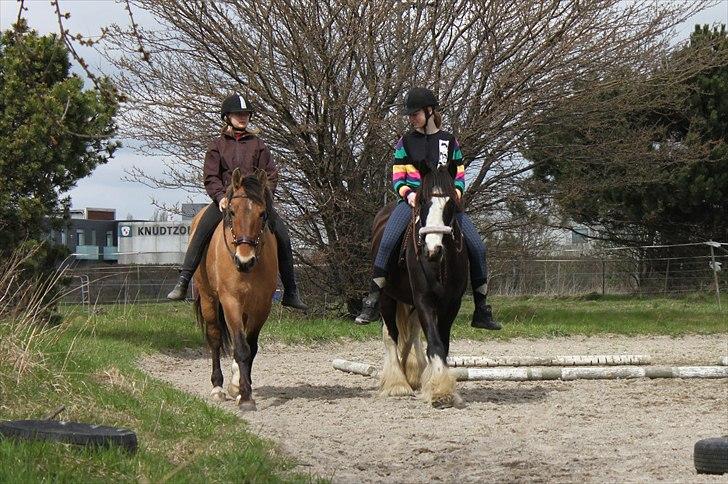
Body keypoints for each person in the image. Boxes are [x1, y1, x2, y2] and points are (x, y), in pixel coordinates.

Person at [354, 87, 501, 330]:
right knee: (387, 241)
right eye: (410, 115)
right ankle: (372, 299)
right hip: (414, 202)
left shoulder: (449, 141)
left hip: (445, 203)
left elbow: (460, 173)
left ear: (430, 111)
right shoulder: (405, 142)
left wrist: (456, 192)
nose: (412, 118)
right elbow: (397, 176)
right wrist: (409, 195)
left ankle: (481, 309)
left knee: (477, 247)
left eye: (415, 113)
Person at [167, 93, 308, 311]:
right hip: (226, 201)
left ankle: (291, 290)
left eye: (245, 114)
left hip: (254, 202)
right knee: (202, 228)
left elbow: (270, 174)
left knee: (282, 232)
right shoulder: (217, 145)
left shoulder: (258, 145)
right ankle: (184, 280)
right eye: (238, 114)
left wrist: (263, 196)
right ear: (228, 117)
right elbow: (211, 176)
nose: (242, 118)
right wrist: (221, 197)